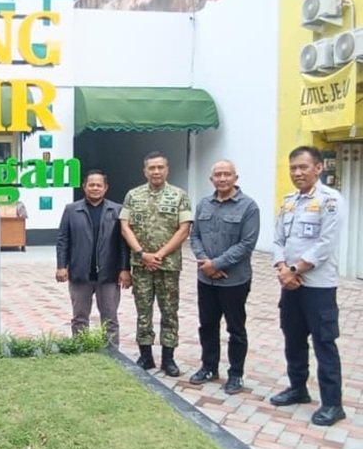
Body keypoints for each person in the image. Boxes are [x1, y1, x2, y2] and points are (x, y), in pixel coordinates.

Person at [270, 146, 347, 427]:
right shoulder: (289, 201)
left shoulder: (330, 200)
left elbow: (325, 245)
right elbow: (278, 238)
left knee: (324, 342)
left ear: (318, 168)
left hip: (318, 287)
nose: (297, 173)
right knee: (293, 338)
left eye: (303, 167)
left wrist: (293, 270)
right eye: (293, 168)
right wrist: (281, 268)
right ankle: (297, 388)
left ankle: (332, 404)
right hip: (290, 285)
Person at [188, 160, 260, 394]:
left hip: (234, 279)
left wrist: (216, 264)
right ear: (211, 179)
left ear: (235, 178)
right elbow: (195, 236)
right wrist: (205, 263)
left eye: (227, 174)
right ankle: (209, 367)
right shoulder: (203, 205)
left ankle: (236, 374)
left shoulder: (248, 207)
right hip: (206, 279)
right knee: (207, 325)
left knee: (235, 328)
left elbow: (247, 244)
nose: (222, 178)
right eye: (217, 174)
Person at [120, 152, 193, 376]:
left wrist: (158, 255)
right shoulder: (133, 195)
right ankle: (146, 356)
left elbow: (184, 229)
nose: (156, 172)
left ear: (167, 169)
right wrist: (142, 254)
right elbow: (125, 226)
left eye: (160, 167)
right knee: (143, 311)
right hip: (141, 265)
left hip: (168, 265)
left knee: (169, 311)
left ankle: (169, 359)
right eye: (152, 168)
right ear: (145, 171)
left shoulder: (179, 195)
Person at [55, 170, 131, 346]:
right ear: (84, 187)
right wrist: (61, 265)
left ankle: (112, 355)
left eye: (99, 185)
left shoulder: (117, 210)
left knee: (110, 318)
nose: (95, 188)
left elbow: (123, 243)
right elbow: (62, 239)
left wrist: (125, 268)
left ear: (105, 188)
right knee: (80, 317)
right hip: (80, 273)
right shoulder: (72, 210)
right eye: (91, 185)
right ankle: (81, 350)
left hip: (109, 275)